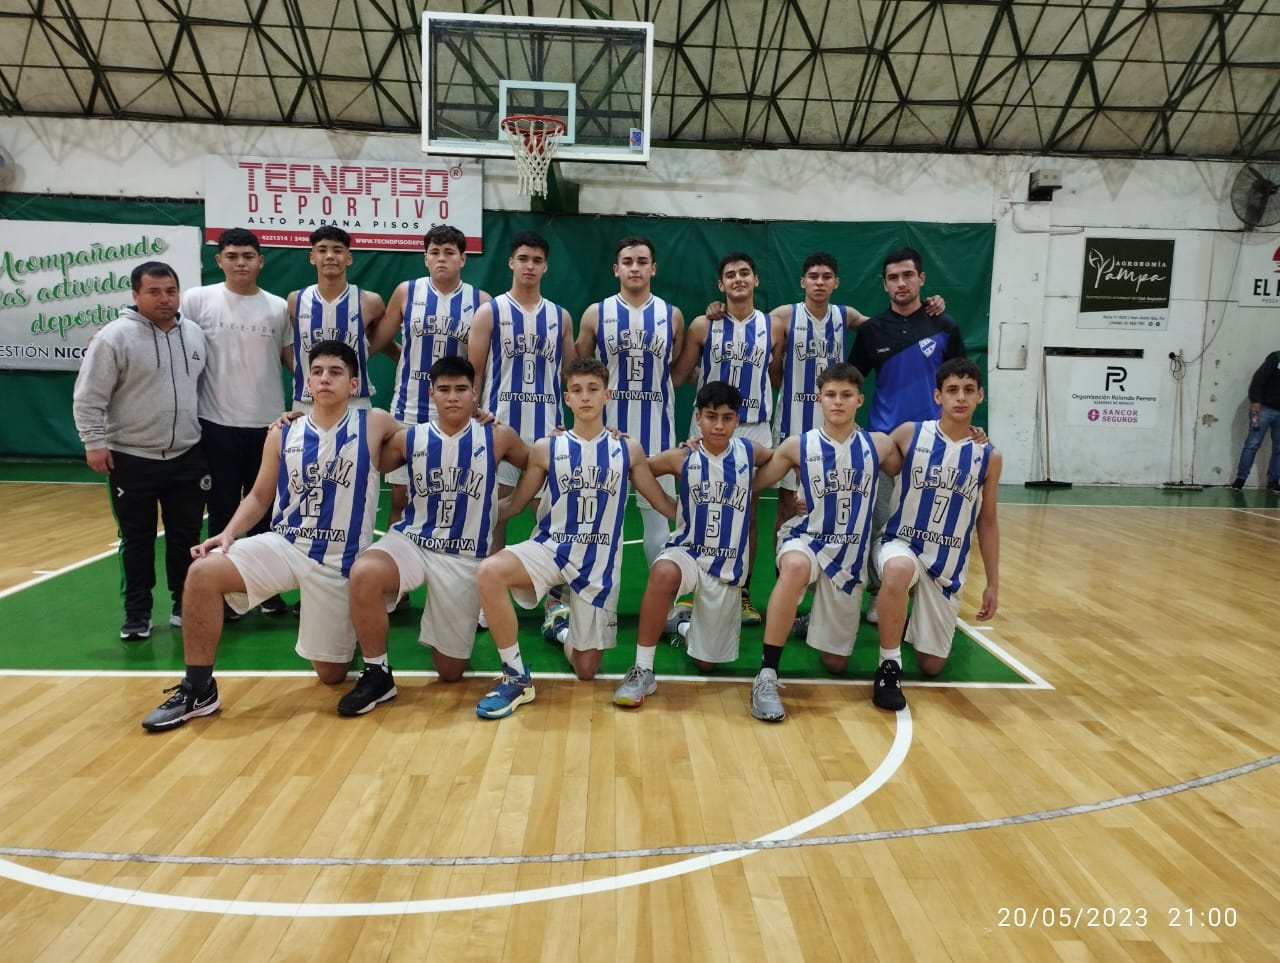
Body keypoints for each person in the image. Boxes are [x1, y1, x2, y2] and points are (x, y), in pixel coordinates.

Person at [140, 341, 403, 732]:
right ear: (307, 382)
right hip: (286, 544)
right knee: (203, 573)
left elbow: (428, 441)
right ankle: (198, 689)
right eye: (318, 371)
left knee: (330, 675)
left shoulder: (376, 422)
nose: (325, 378)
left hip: (340, 561)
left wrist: (478, 418)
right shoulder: (284, 432)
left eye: (335, 372)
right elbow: (261, 495)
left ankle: (343, 642)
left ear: (353, 384)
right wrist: (227, 534)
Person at [473, 358, 677, 719]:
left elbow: (662, 503)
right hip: (550, 549)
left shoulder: (627, 450)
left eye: (593, 389)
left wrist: (712, 515)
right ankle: (516, 676)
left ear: (607, 395)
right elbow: (515, 505)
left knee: (586, 669)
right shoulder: (545, 448)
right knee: (490, 571)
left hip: (598, 565)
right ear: (566, 398)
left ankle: (558, 625)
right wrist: (470, 511)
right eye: (578, 391)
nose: (585, 398)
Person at [338, 356, 529, 716]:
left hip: (464, 557)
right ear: (432, 394)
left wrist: (511, 506)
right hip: (412, 542)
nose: (453, 397)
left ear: (475, 393)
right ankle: (377, 673)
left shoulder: (498, 436)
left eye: (461, 389)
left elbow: (538, 463)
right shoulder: (410, 438)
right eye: (444, 389)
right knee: (364, 571)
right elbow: (363, 455)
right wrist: (295, 423)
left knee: (451, 672)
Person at [747, 363, 902, 723]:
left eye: (846, 395)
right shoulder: (798, 446)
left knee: (835, 663)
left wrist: (973, 437)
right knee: (796, 566)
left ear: (859, 400)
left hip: (849, 555)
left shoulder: (878, 445)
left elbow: (915, 464)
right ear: (819, 399)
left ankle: (807, 621)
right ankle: (767, 674)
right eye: (830, 395)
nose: (837, 402)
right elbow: (752, 482)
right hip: (806, 539)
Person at [613, 381, 772, 708]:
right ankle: (643, 669)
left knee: (706, 664)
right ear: (697, 417)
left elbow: (786, 458)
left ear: (737, 420)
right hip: (687, 551)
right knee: (662, 572)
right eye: (711, 416)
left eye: (727, 418)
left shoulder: (750, 452)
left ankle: (683, 624)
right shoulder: (682, 456)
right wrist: (666, 505)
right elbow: (636, 467)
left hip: (725, 566)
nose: (718, 425)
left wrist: (799, 498)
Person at [72, 261, 209, 641]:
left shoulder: (195, 334)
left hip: (187, 455)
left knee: (187, 537)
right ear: (135, 295)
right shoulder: (113, 338)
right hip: (131, 457)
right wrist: (94, 443)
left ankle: (185, 602)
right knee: (137, 539)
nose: (164, 299)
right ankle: (137, 613)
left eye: (170, 291)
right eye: (154, 292)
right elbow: (88, 398)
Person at [873, 357, 1001, 711]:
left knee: (932, 666)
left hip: (947, 561)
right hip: (902, 542)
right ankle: (888, 666)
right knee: (897, 571)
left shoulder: (989, 456)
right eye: (952, 390)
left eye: (969, 391)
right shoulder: (911, 433)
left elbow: (987, 521)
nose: (960, 397)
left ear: (980, 397)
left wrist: (992, 582)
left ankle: (911, 618)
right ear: (937, 395)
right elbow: (864, 448)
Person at [849, 247, 966, 623]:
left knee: (930, 527)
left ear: (921, 279)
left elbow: (960, 382)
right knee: (879, 524)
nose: (901, 283)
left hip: (935, 447)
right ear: (884, 284)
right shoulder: (871, 330)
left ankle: (928, 598)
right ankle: (877, 594)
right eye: (893, 277)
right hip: (886, 446)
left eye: (907, 275)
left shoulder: (944, 325)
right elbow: (851, 382)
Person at [180, 227, 292, 618]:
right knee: (225, 507)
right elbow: (167, 334)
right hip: (216, 422)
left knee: (266, 512)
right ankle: (227, 592)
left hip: (268, 425)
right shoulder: (197, 300)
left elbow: (292, 359)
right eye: (232, 255)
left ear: (260, 261)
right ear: (220, 260)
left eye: (248, 255)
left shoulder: (278, 307)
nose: (240, 262)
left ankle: (266, 591)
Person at [672, 252, 776, 624]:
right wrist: (709, 391)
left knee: (745, 514)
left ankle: (741, 591)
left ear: (755, 280)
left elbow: (774, 374)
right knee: (695, 506)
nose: (738, 279)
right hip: (708, 424)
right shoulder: (704, 324)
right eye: (730, 275)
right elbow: (681, 372)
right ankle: (693, 587)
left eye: (744, 273)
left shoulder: (773, 325)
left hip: (752, 426)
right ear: (721, 284)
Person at [368, 224, 491, 525]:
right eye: (434, 252)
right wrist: (403, 358)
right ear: (425, 258)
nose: (441, 259)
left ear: (462, 259)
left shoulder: (481, 301)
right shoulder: (407, 292)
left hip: (454, 409)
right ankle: (396, 564)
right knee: (400, 493)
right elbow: (378, 342)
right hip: (408, 405)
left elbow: (480, 363)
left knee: (449, 490)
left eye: (449, 252)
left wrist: (475, 403)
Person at [576, 235, 685, 574]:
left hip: (657, 434)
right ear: (616, 269)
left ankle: (664, 603)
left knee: (658, 519)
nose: (634, 268)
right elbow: (581, 368)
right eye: (628, 262)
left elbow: (677, 369)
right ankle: (596, 593)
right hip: (605, 435)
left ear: (653, 268)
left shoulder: (673, 315)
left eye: (641, 261)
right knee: (600, 520)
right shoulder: (596, 313)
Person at [467, 230, 575, 553]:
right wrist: (475, 413)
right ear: (511, 262)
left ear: (546, 267)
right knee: (496, 514)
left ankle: (553, 598)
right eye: (523, 259)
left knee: (550, 518)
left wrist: (572, 426)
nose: (530, 266)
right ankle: (490, 598)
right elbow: (473, 373)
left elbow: (573, 378)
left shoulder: (561, 316)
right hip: (499, 426)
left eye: (537, 261)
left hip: (548, 432)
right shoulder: (490, 312)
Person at [286, 226, 386, 411]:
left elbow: (381, 340)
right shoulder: (295, 301)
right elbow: (288, 345)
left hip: (355, 401)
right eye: (322, 250)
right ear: (312, 257)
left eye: (337, 250)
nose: (330, 256)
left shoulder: (370, 302)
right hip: (307, 402)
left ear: (349, 258)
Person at [1229, 349, 1280, 493]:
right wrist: (1255, 400)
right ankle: (1240, 479)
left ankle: (1274, 481)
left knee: (1279, 449)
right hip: (1264, 409)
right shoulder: (1276, 358)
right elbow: (1259, 378)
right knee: (1252, 444)